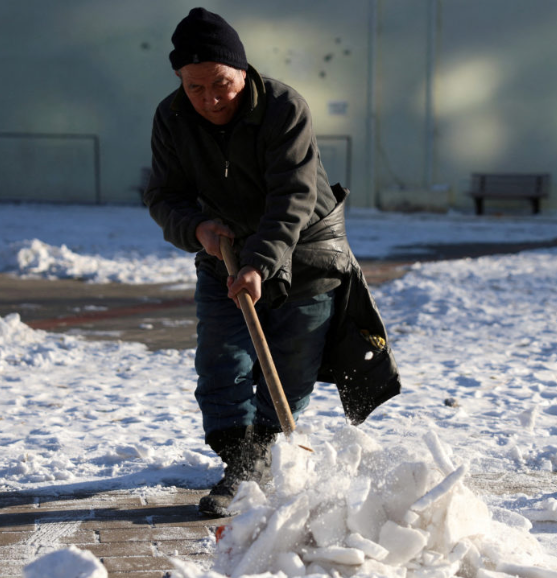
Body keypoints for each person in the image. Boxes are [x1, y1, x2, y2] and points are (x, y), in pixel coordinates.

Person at [144, 7, 400, 517]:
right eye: (195, 87)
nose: (210, 99)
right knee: (221, 363)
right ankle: (241, 466)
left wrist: (259, 263)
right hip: (224, 250)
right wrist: (197, 230)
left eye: (221, 83)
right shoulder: (171, 117)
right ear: (179, 80)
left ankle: (261, 458)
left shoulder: (283, 107)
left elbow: (293, 197)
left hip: (307, 252)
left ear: (242, 70)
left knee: (289, 367)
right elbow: (163, 195)